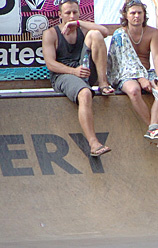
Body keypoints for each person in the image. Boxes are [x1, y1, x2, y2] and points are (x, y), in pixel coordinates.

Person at [42, 0, 114, 157]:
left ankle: (103, 83)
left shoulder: (82, 28)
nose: (71, 16)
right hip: (63, 75)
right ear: (60, 15)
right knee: (85, 93)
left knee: (96, 34)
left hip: (84, 70)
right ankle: (94, 144)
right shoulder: (51, 34)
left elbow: (105, 31)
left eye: (75, 12)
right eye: (67, 13)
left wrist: (79, 23)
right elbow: (50, 64)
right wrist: (74, 71)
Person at [107, 0, 158, 149]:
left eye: (139, 13)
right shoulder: (119, 34)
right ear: (126, 15)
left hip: (147, 72)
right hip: (125, 75)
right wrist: (140, 78)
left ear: (144, 14)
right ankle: (154, 129)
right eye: (133, 13)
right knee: (134, 90)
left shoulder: (152, 33)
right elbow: (121, 62)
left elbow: (156, 56)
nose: (136, 16)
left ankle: (153, 129)